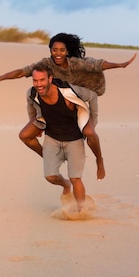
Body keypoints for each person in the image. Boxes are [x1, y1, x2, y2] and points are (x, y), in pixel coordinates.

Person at [0, 33, 136, 180]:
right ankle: (49, 158)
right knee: (25, 135)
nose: (58, 53)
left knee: (89, 132)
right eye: (54, 50)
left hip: (75, 104)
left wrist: (120, 65)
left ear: (67, 51)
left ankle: (99, 160)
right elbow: (23, 72)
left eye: (62, 50)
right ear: (50, 50)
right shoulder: (46, 64)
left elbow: (98, 65)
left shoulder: (76, 63)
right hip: (52, 106)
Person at [28, 61, 90, 213]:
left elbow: (91, 97)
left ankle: (81, 210)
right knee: (50, 176)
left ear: (50, 79)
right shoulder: (32, 93)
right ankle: (65, 185)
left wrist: (91, 123)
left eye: (42, 80)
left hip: (74, 139)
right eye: (35, 80)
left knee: (76, 178)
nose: (38, 83)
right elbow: (32, 111)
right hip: (52, 137)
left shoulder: (67, 92)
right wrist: (37, 125)